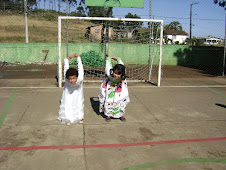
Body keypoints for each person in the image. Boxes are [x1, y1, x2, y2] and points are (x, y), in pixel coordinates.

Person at [99, 56, 130, 122]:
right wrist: (109, 59)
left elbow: (122, 65)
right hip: (111, 88)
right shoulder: (109, 73)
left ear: (122, 74)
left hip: (120, 88)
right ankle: (108, 115)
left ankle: (121, 114)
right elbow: (108, 65)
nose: (116, 75)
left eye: (119, 74)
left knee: (121, 100)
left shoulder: (123, 75)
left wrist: (118, 59)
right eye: (115, 73)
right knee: (109, 100)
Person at [57, 53, 84, 125]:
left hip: (78, 93)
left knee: (78, 103)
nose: (72, 80)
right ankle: (67, 119)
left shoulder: (80, 78)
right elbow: (66, 68)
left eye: (73, 78)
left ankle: (80, 117)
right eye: (70, 79)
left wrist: (78, 58)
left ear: (77, 77)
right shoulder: (66, 79)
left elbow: (80, 68)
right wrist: (67, 59)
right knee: (68, 104)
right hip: (68, 93)